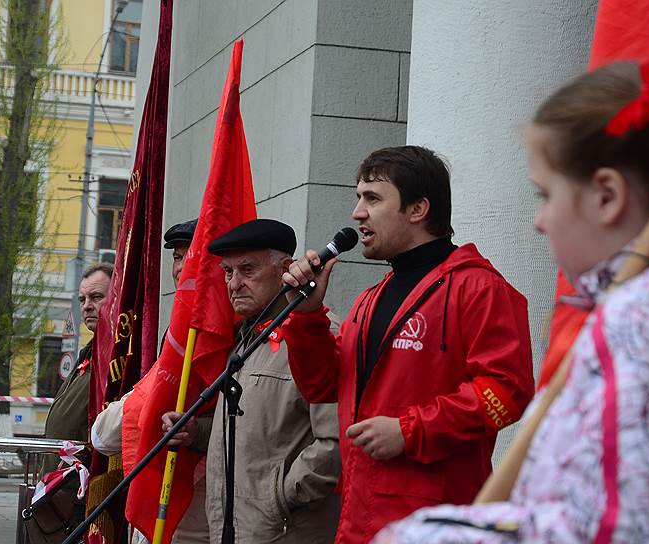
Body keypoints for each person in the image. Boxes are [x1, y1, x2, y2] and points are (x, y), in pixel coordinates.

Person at [375, 61, 649, 543]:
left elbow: (617, 532)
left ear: (607, 195)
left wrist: (429, 536)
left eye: (546, 194)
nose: (539, 221)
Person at [281, 146, 535, 543]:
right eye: (358, 197)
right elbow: (322, 385)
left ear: (417, 210)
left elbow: (508, 392)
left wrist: (410, 430)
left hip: (434, 524)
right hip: (359, 519)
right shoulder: (370, 300)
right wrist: (307, 316)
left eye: (372, 198)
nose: (357, 213)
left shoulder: (480, 289)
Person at [163, 218, 342, 543]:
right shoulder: (243, 339)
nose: (234, 284)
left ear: (285, 269)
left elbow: (336, 441)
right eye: (228, 272)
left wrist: (281, 498)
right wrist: (196, 432)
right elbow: (253, 433)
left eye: (247, 270)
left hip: (284, 532)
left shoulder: (319, 336)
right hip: (232, 529)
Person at [90, 219, 211, 544]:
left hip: (195, 503)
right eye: (177, 257)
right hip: (162, 488)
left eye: (192, 256)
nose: (181, 267)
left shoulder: (220, 334)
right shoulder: (176, 329)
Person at [42, 262, 113, 533]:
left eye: (96, 297)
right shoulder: (90, 352)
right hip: (60, 487)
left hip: (84, 493)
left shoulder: (118, 355)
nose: (87, 306)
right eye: (82, 299)